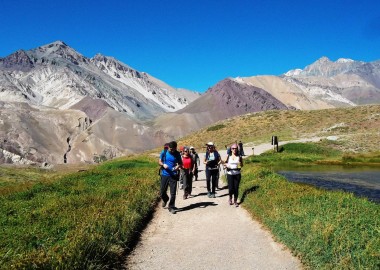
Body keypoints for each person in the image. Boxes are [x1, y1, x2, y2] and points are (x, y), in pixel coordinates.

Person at [158, 141, 183, 214]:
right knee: (162, 191)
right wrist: (163, 165)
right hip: (165, 174)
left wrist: (177, 167)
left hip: (173, 175)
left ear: (175, 148)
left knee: (173, 193)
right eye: (170, 149)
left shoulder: (177, 154)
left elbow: (181, 163)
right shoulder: (164, 152)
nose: (171, 150)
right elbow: (159, 161)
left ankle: (171, 206)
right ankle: (165, 199)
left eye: (173, 149)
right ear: (168, 147)